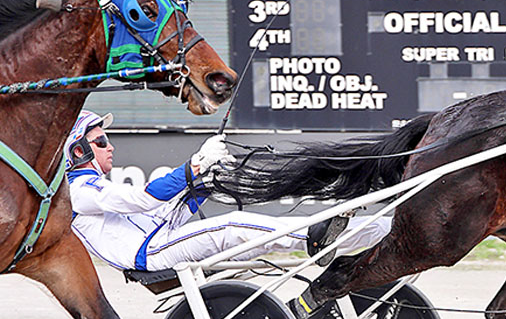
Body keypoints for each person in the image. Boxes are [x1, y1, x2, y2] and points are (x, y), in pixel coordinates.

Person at [64, 110, 389, 272]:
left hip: (158, 243)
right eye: (101, 141)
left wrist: (204, 181)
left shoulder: (95, 190)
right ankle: (314, 239)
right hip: (151, 254)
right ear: (79, 151)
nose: (111, 146)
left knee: (252, 234)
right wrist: (194, 166)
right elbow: (142, 199)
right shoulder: (78, 191)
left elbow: (163, 217)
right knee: (234, 225)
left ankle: (383, 231)